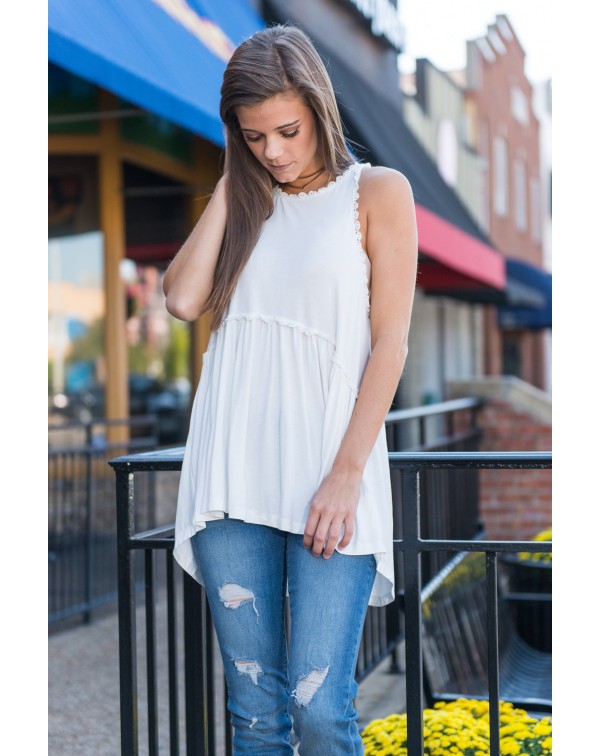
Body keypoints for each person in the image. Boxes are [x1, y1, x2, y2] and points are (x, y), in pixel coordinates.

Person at [163, 23, 418, 756]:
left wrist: (345, 475)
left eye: (287, 130)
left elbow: (391, 343)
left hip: (329, 478)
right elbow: (182, 301)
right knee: (254, 713)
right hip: (230, 479)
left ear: (319, 111)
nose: (272, 150)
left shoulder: (377, 193)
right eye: (252, 137)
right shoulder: (247, 204)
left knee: (317, 708)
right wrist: (231, 184)